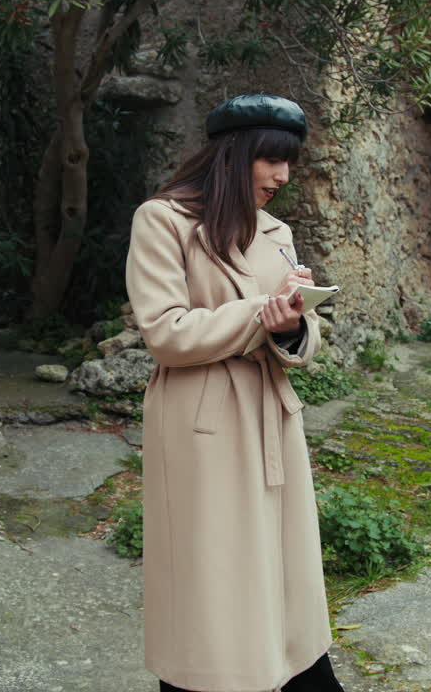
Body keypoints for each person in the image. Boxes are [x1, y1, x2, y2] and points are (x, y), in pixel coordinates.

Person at [125, 93, 344, 692]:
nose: (282, 176)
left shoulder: (278, 232)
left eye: (290, 161)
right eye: (270, 160)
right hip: (204, 423)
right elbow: (165, 332)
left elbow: (302, 335)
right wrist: (261, 314)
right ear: (233, 153)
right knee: (212, 579)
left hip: (272, 413)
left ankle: (295, 670)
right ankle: (204, 680)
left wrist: (296, 322)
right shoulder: (162, 220)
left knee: (285, 569)